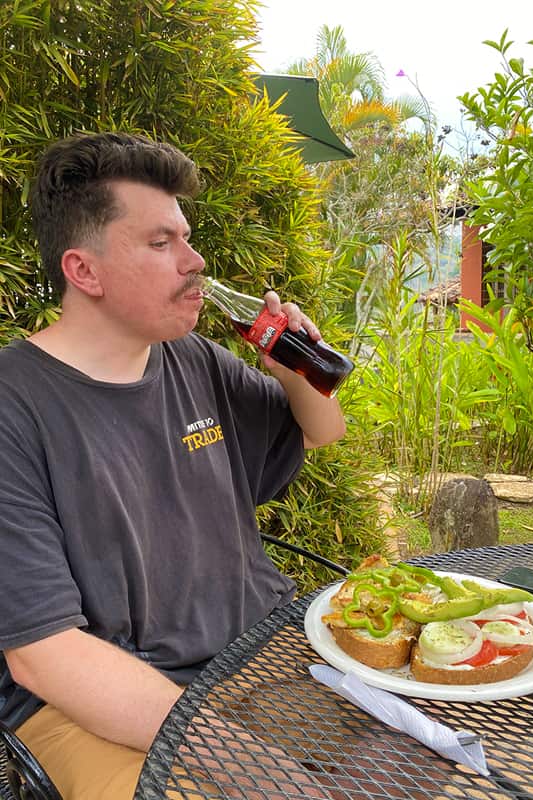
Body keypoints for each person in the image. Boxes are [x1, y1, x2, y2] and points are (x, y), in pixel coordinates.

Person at [0, 132, 346, 799]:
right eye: (161, 245)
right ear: (85, 271)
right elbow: (44, 657)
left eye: (186, 238)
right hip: (95, 707)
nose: (195, 261)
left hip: (258, 655)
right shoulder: (16, 407)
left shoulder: (192, 361)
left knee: (442, 758)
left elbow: (322, 430)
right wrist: (237, 757)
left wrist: (298, 366)